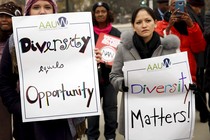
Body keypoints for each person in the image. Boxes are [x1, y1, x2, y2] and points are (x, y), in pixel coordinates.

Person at [0, 0, 102, 139]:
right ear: (28, 11)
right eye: (36, 7)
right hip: (30, 123)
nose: (42, 11)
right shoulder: (15, 41)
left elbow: (80, 77)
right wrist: (18, 107)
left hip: (63, 120)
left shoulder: (72, 37)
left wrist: (91, 62)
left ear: (54, 11)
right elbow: (4, 81)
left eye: (47, 7)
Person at [109, 6, 180, 136]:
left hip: (162, 114)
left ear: (155, 22)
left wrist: (186, 86)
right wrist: (123, 83)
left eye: (148, 20)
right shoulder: (123, 49)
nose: (144, 25)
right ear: (133, 26)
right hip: (135, 113)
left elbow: (177, 78)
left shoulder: (168, 49)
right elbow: (114, 75)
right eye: (139, 22)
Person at [86, 2, 121, 140]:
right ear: (94, 15)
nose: (100, 14)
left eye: (103, 11)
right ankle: (92, 137)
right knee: (92, 112)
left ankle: (110, 136)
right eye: (97, 12)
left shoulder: (116, 33)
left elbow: (120, 57)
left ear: (108, 13)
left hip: (110, 80)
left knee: (111, 110)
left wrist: (111, 63)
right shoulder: (87, 32)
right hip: (92, 80)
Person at [0, 1, 22, 140]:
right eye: (1, 16)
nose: (3, 19)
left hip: (23, 93)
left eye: (7, 16)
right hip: (3, 90)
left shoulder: (23, 38)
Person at [186, 0, 210, 123]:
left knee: (198, 86)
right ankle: (204, 112)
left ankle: (203, 112)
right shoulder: (188, 15)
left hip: (198, 55)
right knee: (197, 87)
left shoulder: (196, 15)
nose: (199, 10)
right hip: (194, 56)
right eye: (198, 8)